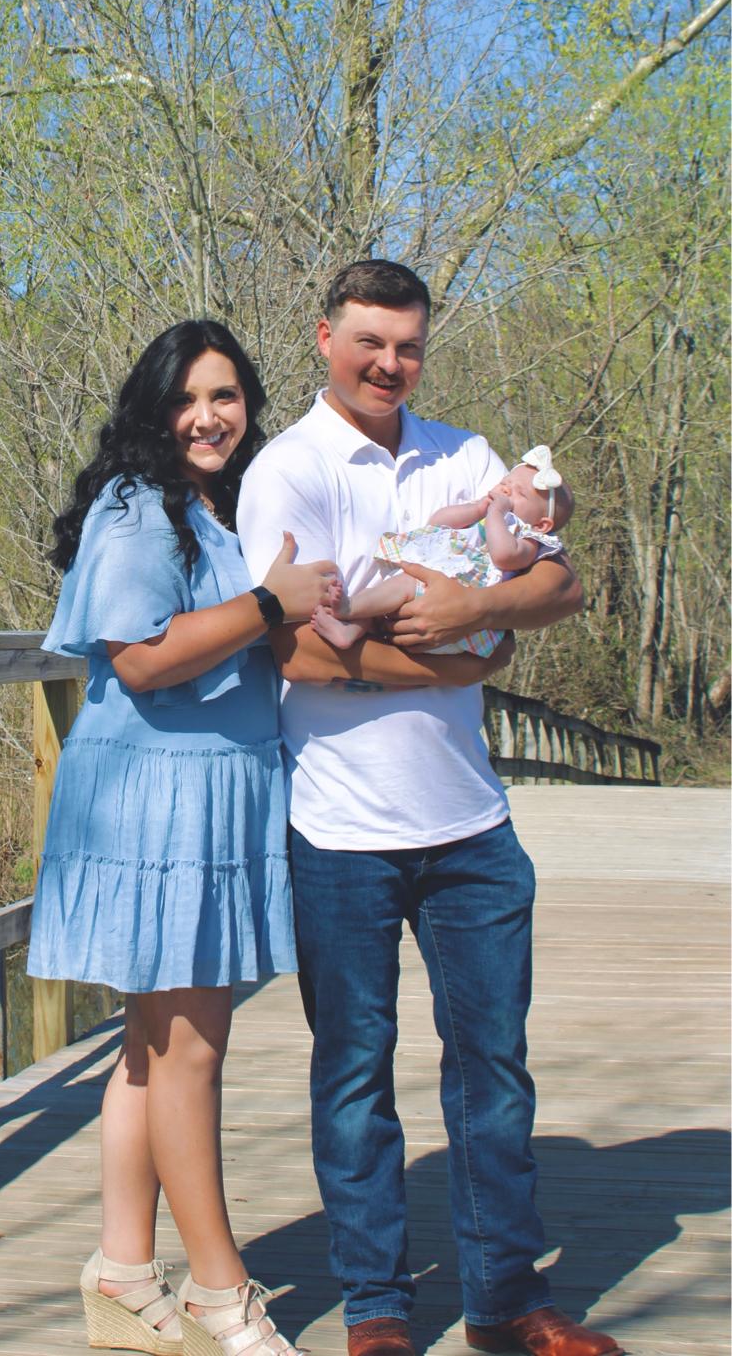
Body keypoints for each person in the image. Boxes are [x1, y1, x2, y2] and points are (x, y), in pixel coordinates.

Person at [236, 262, 624, 1356]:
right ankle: (376, 1310)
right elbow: (291, 648)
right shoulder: (289, 468)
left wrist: (475, 607)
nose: (388, 363)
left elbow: (559, 586)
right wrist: (458, 662)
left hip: (470, 826)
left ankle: (505, 1297)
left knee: (492, 1068)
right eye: (368, 341)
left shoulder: (466, 455)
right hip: (340, 831)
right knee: (354, 1075)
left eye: (407, 345)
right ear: (324, 338)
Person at [28, 320, 343, 1356]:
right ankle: (219, 1291)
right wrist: (268, 601)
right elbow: (143, 657)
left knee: (150, 1050)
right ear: (153, 409)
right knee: (189, 1054)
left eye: (226, 396)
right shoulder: (136, 507)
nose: (208, 417)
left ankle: (124, 1272)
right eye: (186, 399)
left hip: (213, 793)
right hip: (154, 800)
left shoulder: (223, 504)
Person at [312, 445, 574, 654]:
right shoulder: (484, 514)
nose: (506, 490)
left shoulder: (527, 538)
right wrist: (477, 509)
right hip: (433, 596)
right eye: (506, 482)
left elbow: (504, 556)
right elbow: (438, 523)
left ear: (542, 524)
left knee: (405, 584)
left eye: (519, 493)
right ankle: (350, 631)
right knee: (385, 593)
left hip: (457, 610)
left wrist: (495, 514)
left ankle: (348, 608)